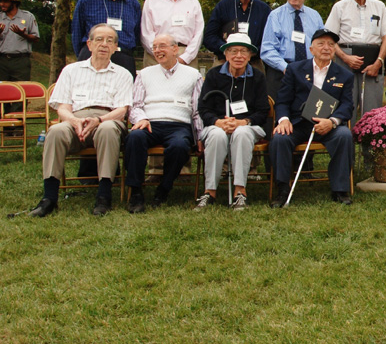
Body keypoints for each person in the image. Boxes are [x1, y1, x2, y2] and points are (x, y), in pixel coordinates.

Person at [27, 24, 132, 217]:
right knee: (56, 131)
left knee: (108, 129)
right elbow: (62, 107)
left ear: (115, 47)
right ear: (89, 44)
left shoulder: (123, 74)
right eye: (99, 39)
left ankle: (104, 196)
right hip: (76, 119)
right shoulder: (71, 71)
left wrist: (99, 119)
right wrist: (74, 121)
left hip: (107, 119)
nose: (104, 44)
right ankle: (49, 198)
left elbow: (122, 110)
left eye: (110, 41)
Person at [269, 29, 355, 207]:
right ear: (311, 49)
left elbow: (347, 105)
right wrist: (283, 120)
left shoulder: (345, 75)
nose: (326, 48)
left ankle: (340, 190)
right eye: (321, 44)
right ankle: (283, 189)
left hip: (327, 125)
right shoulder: (294, 70)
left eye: (331, 45)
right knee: (280, 138)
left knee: (344, 136)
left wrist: (332, 122)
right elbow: (283, 100)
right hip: (298, 124)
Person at [124, 35, 204, 213]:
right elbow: (135, 105)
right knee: (134, 138)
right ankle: (136, 192)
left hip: (179, 124)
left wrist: (199, 136)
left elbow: (197, 110)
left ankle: (164, 188)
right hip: (150, 122)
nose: (158, 50)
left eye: (162, 46)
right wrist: (141, 119)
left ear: (175, 49)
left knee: (180, 146)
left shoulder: (193, 75)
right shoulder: (144, 74)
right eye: (154, 47)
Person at [195, 33, 270, 211]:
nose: (238, 56)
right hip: (217, 125)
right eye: (233, 51)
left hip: (247, 126)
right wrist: (217, 122)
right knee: (217, 135)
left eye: (243, 51)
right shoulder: (213, 75)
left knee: (242, 134)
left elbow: (263, 110)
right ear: (226, 55)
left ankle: (240, 192)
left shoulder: (258, 77)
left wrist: (244, 122)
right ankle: (209, 191)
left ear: (250, 55)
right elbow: (203, 108)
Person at [327, 0, 386, 119]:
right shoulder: (339, 7)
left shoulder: (379, 6)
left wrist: (379, 62)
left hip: (373, 61)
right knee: (345, 106)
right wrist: (346, 58)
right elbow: (331, 39)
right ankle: (346, 141)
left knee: (372, 110)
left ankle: (369, 142)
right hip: (345, 60)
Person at [70, 0, 142, 76]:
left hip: (123, 58)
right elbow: (77, 32)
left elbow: (136, 33)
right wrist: (85, 54)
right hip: (92, 57)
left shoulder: (133, 4)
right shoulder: (86, 1)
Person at [260, 0, 325, 101]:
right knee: (279, 114)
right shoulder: (275, 16)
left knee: (307, 113)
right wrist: (286, 68)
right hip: (281, 72)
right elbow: (267, 49)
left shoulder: (315, 16)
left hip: (309, 73)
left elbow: (322, 44)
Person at [203, 0, 272, 71]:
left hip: (253, 63)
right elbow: (209, 37)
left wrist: (250, 52)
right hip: (224, 61)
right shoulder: (223, 6)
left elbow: (270, 40)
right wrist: (227, 50)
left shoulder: (264, 10)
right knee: (214, 82)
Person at [140, 0, 205, 68]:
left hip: (186, 56)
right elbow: (146, 33)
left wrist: (185, 57)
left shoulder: (193, 2)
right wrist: (160, 54)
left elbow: (198, 33)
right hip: (156, 56)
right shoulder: (151, 1)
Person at [0, 0, 40, 123]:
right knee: (3, 92)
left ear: (14, 3)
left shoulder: (27, 17)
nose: (2, 4)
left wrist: (23, 34)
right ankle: (4, 123)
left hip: (20, 60)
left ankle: (16, 124)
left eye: (5, 1)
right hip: (2, 59)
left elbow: (35, 38)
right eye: (1, 1)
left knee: (20, 92)